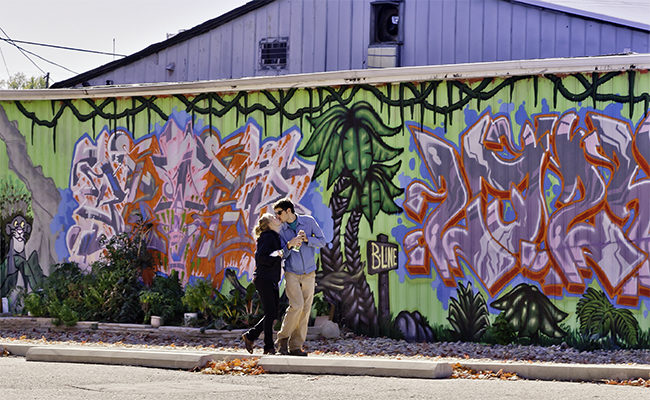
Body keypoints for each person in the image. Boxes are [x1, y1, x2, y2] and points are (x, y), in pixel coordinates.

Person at [273, 198, 326, 356]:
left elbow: (322, 241)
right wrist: (289, 244)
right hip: (291, 272)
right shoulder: (281, 230)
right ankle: (282, 339)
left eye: (279, 213)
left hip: (309, 272)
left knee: (305, 309)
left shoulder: (308, 221)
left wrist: (307, 239)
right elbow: (280, 254)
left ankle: (296, 346)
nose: (277, 216)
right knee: (296, 306)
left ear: (289, 211)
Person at [242, 213, 284, 355]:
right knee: (270, 312)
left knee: (273, 312)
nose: (276, 218)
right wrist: (278, 254)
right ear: (268, 224)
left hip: (269, 279)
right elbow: (261, 257)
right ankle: (268, 347)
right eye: (273, 218)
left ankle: (251, 336)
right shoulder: (267, 236)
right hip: (264, 279)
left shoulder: (273, 236)